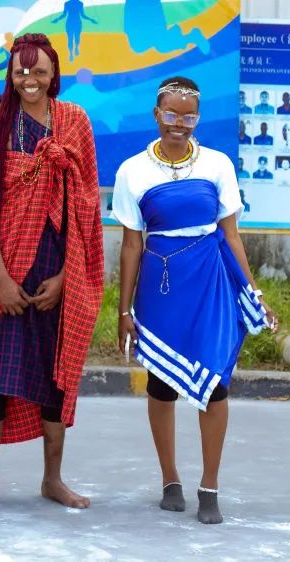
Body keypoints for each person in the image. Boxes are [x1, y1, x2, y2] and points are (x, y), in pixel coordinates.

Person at [115, 77, 278, 524]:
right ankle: (170, 479)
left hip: (210, 281)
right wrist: (124, 310)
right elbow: (131, 244)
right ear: (157, 114)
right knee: (162, 383)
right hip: (161, 286)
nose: (179, 123)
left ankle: (210, 485)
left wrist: (254, 292)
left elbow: (231, 235)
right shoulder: (132, 171)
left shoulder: (218, 163)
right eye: (171, 114)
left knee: (217, 383)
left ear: (197, 119)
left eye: (189, 117)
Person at [0, 33, 104, 511]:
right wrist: (2, 278)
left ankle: (52, 479)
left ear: (54, 74)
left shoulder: (74, 120)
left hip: (58, 263)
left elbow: (86, 202)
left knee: (55, 371)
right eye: (21, 71)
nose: (30, 79)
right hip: (5, 260)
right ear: (10, 74)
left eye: (39, 71)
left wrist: (67, 275)